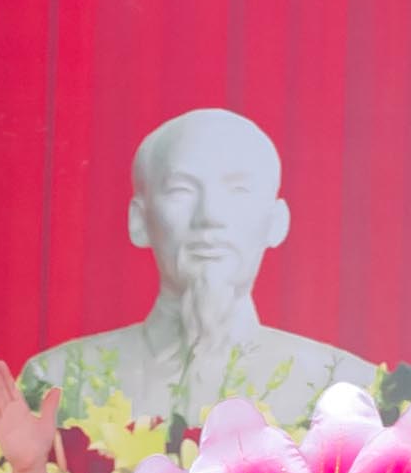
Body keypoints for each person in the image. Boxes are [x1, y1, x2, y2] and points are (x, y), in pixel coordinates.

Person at [22, 105, 378, 438]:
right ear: (139, 220)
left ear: (276, 222)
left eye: (238, 190)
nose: (210, 216)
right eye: (181, 190)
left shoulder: (347, 389)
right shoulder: (60, 381)